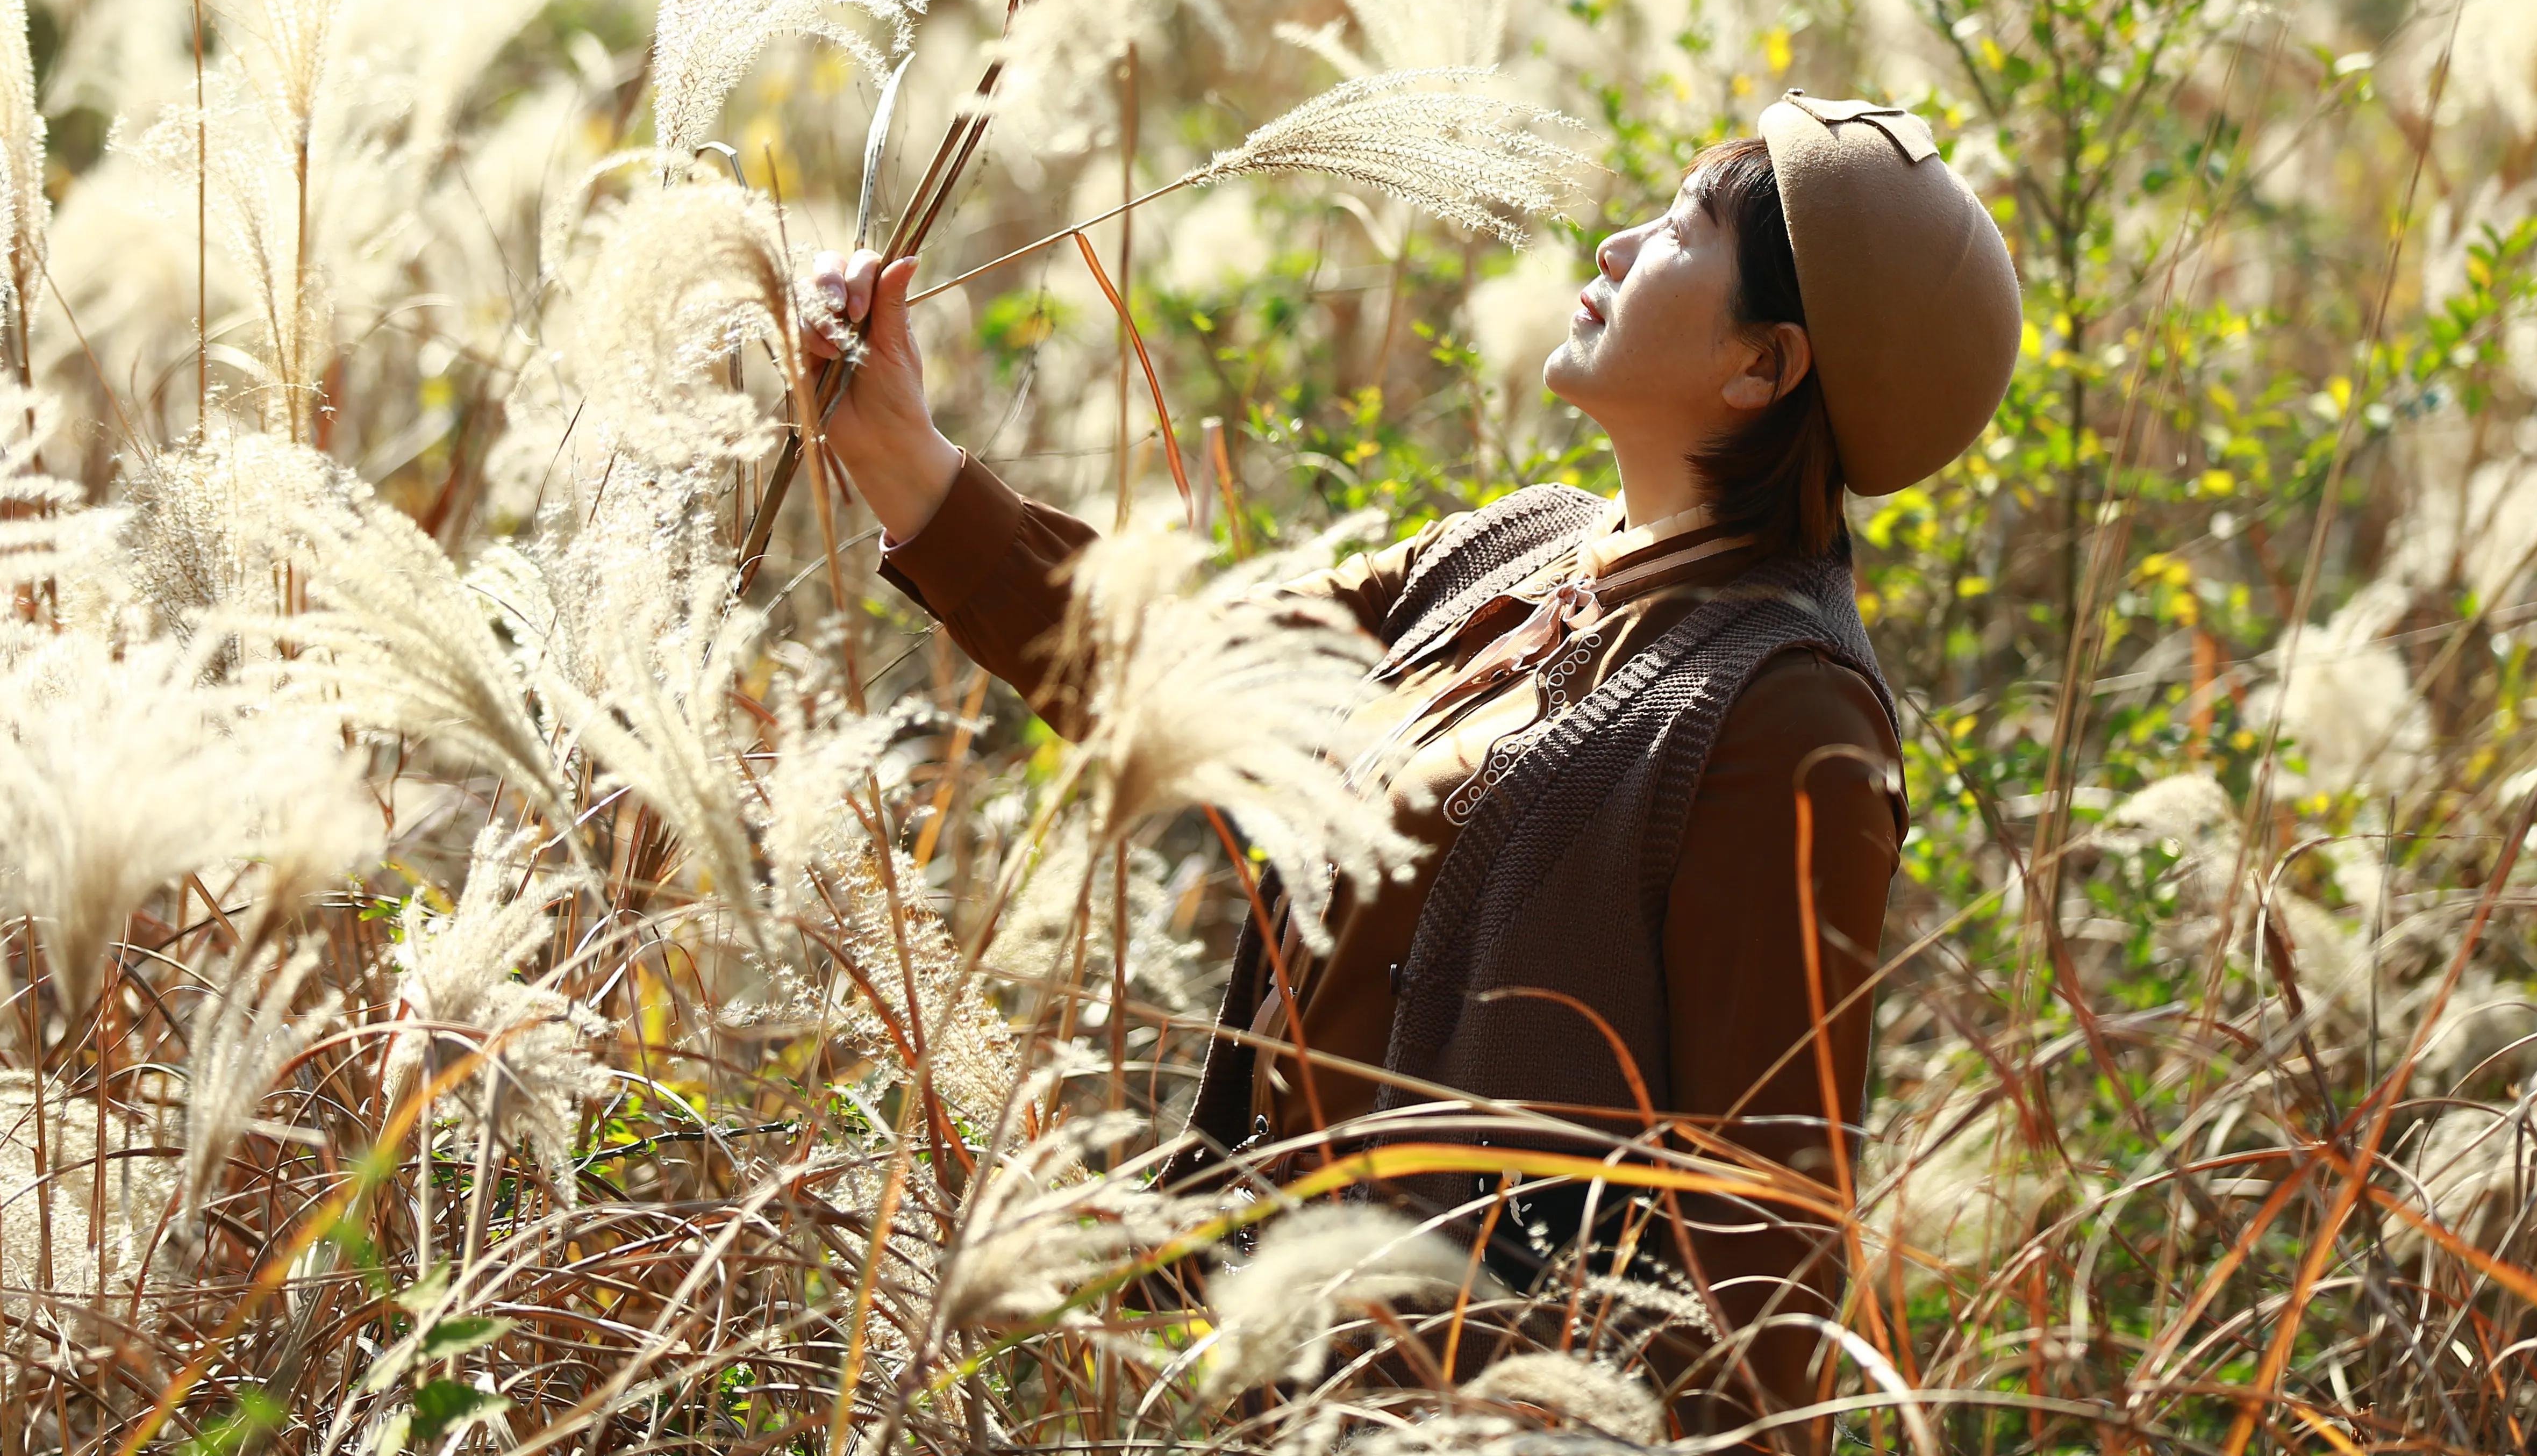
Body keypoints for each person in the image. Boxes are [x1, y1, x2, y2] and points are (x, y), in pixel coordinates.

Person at [811, 92, 2019, 1444]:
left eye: (1682, 229)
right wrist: (904, 458)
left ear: (1762, 369)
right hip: (1286, 1391)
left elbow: (1763, 1248)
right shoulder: (1515, 554)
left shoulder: (1789, 719)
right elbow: (1197, 668)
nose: (1617, 245)